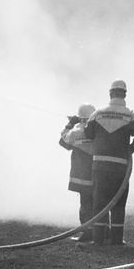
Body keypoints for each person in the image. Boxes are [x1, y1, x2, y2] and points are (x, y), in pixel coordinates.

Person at [85, 80, 134, 246]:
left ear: (110, 94)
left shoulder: (98, 113)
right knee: (118, 204)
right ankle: (117, 240)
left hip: (100, 166)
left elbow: (88, 133)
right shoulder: (131, 114)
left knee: (100, 202)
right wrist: (132, 148)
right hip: (120, 167)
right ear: (124, 94)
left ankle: (98, 240)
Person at [60, 103, 98, 243]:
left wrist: (70, 124)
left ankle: (88, 232)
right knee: (98, 203)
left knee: (85, 205)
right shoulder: (97, 132)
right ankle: (103, 231)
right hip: (96, 175)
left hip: (80, 176)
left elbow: (63, 141)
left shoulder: (75, 132)